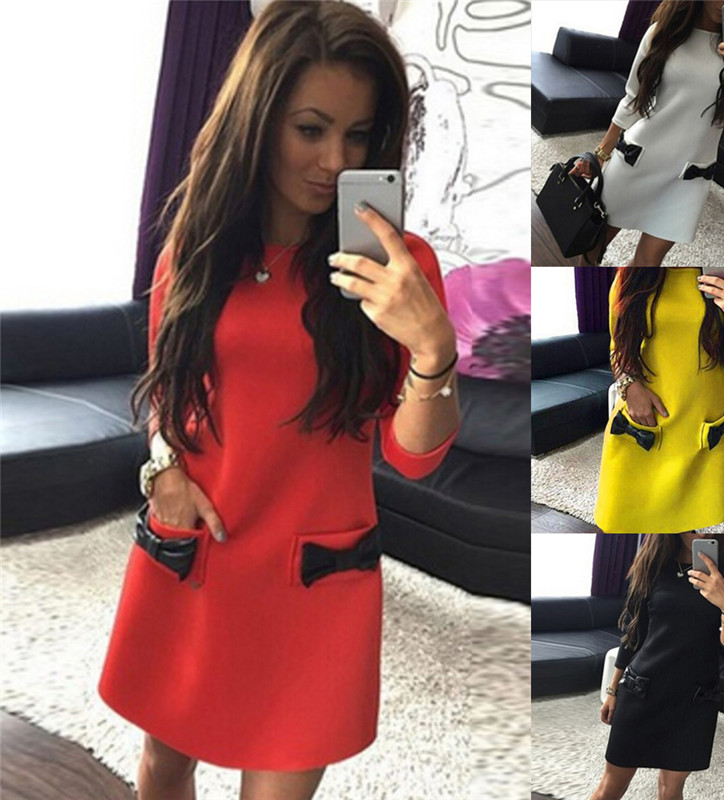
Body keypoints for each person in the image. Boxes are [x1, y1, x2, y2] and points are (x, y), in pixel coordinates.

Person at [97, 3, 461, 799]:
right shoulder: (196, 245)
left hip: (314, 583)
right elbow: (167, 389)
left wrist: (434, 351)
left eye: (359, 135)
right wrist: (162, 469)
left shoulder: (397, 270)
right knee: (163, 764)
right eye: (310, 129)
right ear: (257, 122)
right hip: (194, 554)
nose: (335, 160)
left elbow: (412, 456)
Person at [570, 0, 724, 267]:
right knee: (593, 245)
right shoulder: (663, 31)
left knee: (647, 264)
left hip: (688, 178)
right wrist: (600, 154)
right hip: (636, 161)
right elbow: (633, 99)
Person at [594, 267, 724, 534]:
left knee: (689, 526)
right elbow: (618, 347)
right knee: (623, 522)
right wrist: (629, 387)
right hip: (642, 426)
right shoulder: (631, 274)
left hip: (699, 435)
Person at [590, 533, 724, 800]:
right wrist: (613, 690)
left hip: (694, 701)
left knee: (671, 790)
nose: (704, 532)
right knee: (610, 787)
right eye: (694, 526)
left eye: (711, 525)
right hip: (641, 692)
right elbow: (634, 634)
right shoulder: (651, 568)